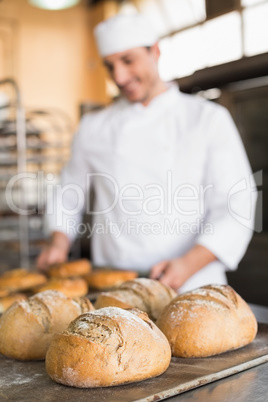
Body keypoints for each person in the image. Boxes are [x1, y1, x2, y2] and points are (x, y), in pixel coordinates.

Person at [37, 14, 257, 292]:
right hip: (117, 289)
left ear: (155, 51)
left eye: (128, 61)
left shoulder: (206, 119)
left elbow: (236, 205)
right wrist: (59, 240)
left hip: (193, 285)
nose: (119, 76)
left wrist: (188, 263)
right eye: (110, 66)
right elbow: (69, 192)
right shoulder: (94, 127)